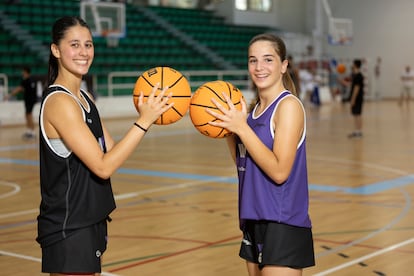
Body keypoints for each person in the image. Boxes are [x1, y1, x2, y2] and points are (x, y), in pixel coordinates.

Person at [36, 16, 173, 275]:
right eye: (74, 44)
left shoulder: (85, 97)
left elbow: (111, 150)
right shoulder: (60, 103)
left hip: (89, 220)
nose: (84, 52)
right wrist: (144, 121)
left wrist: (150, 116)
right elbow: (102, 167)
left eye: (88, 45)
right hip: (69, 225)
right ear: (56, 50)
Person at [207, 33, 315, 275]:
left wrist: (241, 128)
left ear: (283, 65)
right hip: (253, 218)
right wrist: (228, 131)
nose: (259, 67)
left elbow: (279, 172)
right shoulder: (253, 110)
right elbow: (244, 163)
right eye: (252, 60)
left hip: (282, 220)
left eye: (268, 60)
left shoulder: (288, 106)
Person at [4, 66, 38, 139]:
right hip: (31, 100)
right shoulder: (32, 80)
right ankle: (29, 131)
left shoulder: (26, 80)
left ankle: (32, 132)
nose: (22, 73)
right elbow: (29, 90)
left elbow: (19, 89)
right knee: (27, 115)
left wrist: (9, 95)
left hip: (29, 100)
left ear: (25, 72)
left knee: (29, 115)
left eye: (23, 71)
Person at [346, 59, 365, 138]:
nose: (352, 65)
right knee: (356, 114)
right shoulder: (355, 75)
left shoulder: (358, 76)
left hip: (357, 98)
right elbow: (352, 85)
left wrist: (353, 99)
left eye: (353, 64)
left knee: (358, 114)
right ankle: (357, 131)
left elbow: (356, 89)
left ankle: (359, 132)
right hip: (357, 98)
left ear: (356, 65)